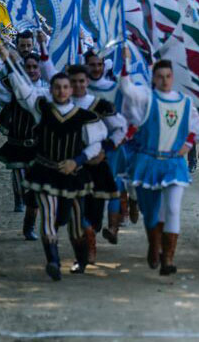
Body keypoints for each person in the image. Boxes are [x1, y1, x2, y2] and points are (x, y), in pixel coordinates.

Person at [2, 55, 106, 281]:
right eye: (57, 87)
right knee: (48, 217)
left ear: (71, 90)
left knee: (76, 223)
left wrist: (76, 161)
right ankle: (53, 262)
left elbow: (96, 144)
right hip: (46, 172)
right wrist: (10, 64)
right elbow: (23, 91)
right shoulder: (43, 109)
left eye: (65, 87)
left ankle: (81, 259)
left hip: (73, 175)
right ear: (51, 89)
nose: (61, 91)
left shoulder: (85, 116)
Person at [119, 52, 199, 276]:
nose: (165, 80)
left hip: (174, 164)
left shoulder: (185, 102)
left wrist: (187, 145)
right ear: (153, 78)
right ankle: (154, 245)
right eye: (160, 76)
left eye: (168, 76)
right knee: (152, 213)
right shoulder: (147, 99)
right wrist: (125, 60)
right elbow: (127, 89)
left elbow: (196, 128)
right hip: (148, 163)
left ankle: (168, 258)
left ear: (173, 77)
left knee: (173, 209)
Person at [0, 53, 45, 239]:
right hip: (18, 146)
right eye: (27, 67)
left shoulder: (48, 89)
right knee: (22, 182)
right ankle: (20, 201)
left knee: (34, 191)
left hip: (39, 148)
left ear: (40, 69)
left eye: (34, 67)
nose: (31, 71)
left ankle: (28, 227)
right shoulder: (13, 87)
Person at [67, 64, 126, 266]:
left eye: (81, 81)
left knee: (94, 212)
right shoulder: (60, 105)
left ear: (87, 82)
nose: (78, 85)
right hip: (70, 166)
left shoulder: (99, 105)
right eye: (73, 81)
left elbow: (120, 128)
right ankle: (86, 249)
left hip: (96, 164)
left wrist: (105, 149)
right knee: (75, 209)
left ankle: (92, 231)